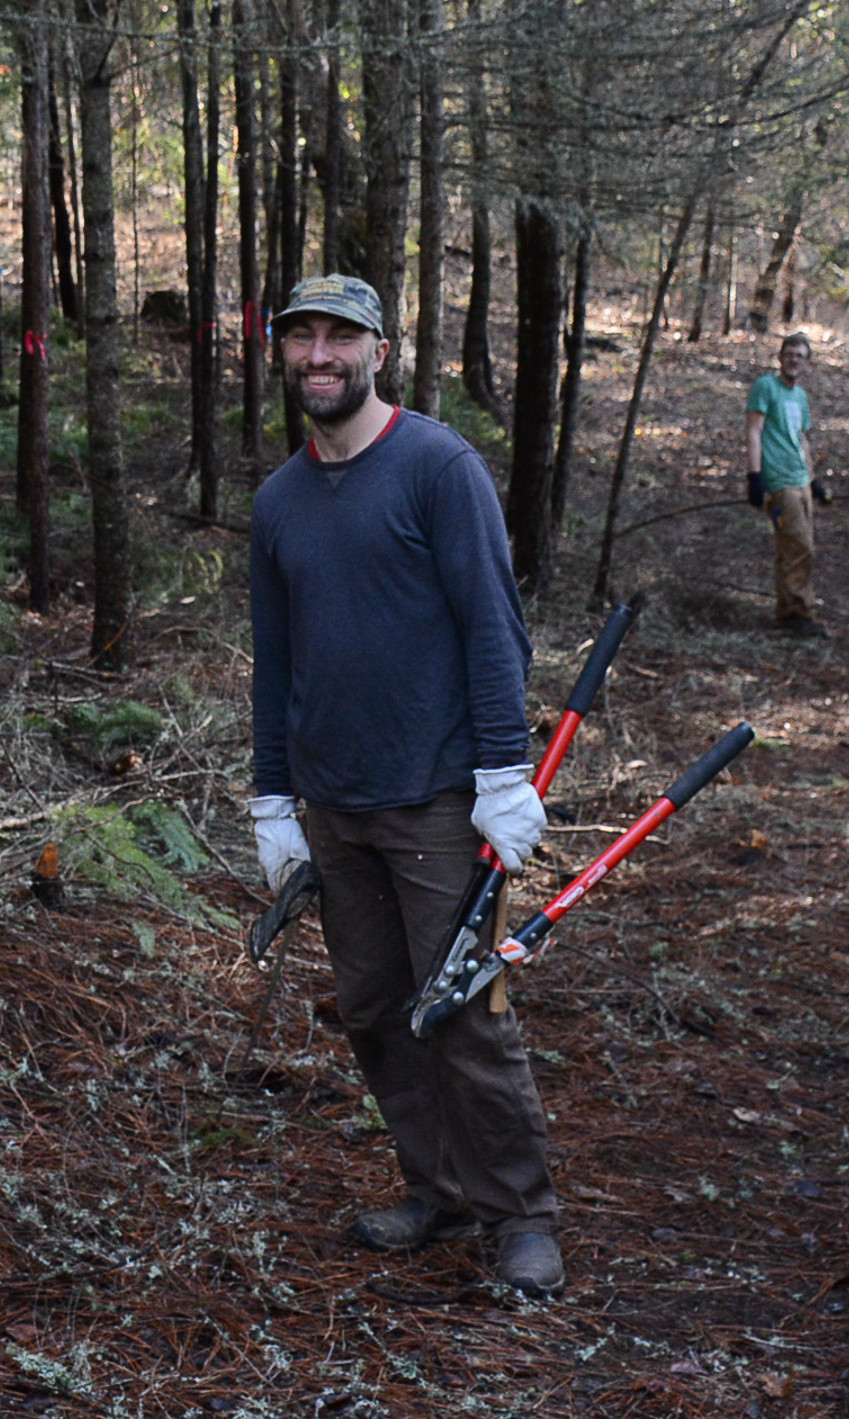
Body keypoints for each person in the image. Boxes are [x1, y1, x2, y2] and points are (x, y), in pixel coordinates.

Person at [248, 273, 564, 1297]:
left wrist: (503, 776)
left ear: (381, 349)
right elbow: (276, 662)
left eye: (342, 336)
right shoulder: (280, 500)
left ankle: (523, 1214)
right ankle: (440, 1190)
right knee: (378, 1008)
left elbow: (492, 628)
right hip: (336, 809)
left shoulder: (438, 465)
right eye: (302, 338)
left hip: (436, 800)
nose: (320, 355)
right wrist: (271, 803)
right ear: (284, 353)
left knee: (466, 1011)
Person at [744, 331, 830, 636]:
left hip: (800, 479)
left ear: (808, 362)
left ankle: (788, 612)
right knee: (800, 547)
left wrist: (814, 479)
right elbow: (754, 431)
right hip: (779, 480)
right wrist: (755, 476)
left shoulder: (800, 396)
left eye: (800, 356)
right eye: (789, 354)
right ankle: (799, 613)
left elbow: (802, 439)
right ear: (780, 357)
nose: (794, 360)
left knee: (792, 547)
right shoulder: (766, 387)